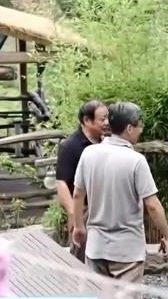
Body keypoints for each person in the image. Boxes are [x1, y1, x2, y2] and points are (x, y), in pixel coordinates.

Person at [71, 102, 168, 287]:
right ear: (129, 128)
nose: (141, 130)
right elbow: (152, 205)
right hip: (127, 251)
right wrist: (166, 234)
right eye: (140, 126)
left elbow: (77, 194)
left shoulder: (89, 153)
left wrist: (78, 226)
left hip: (96, 247)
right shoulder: (136, 160)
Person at [55, 99, 109, 262]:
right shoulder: (70, 146)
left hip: (105, 209)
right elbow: (61, 183)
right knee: (81, 259)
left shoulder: (106, 143)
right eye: (102, 119)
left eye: (108, 118)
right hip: (83, 210)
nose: (107, 123)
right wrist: (75, 214)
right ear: (86, 120)